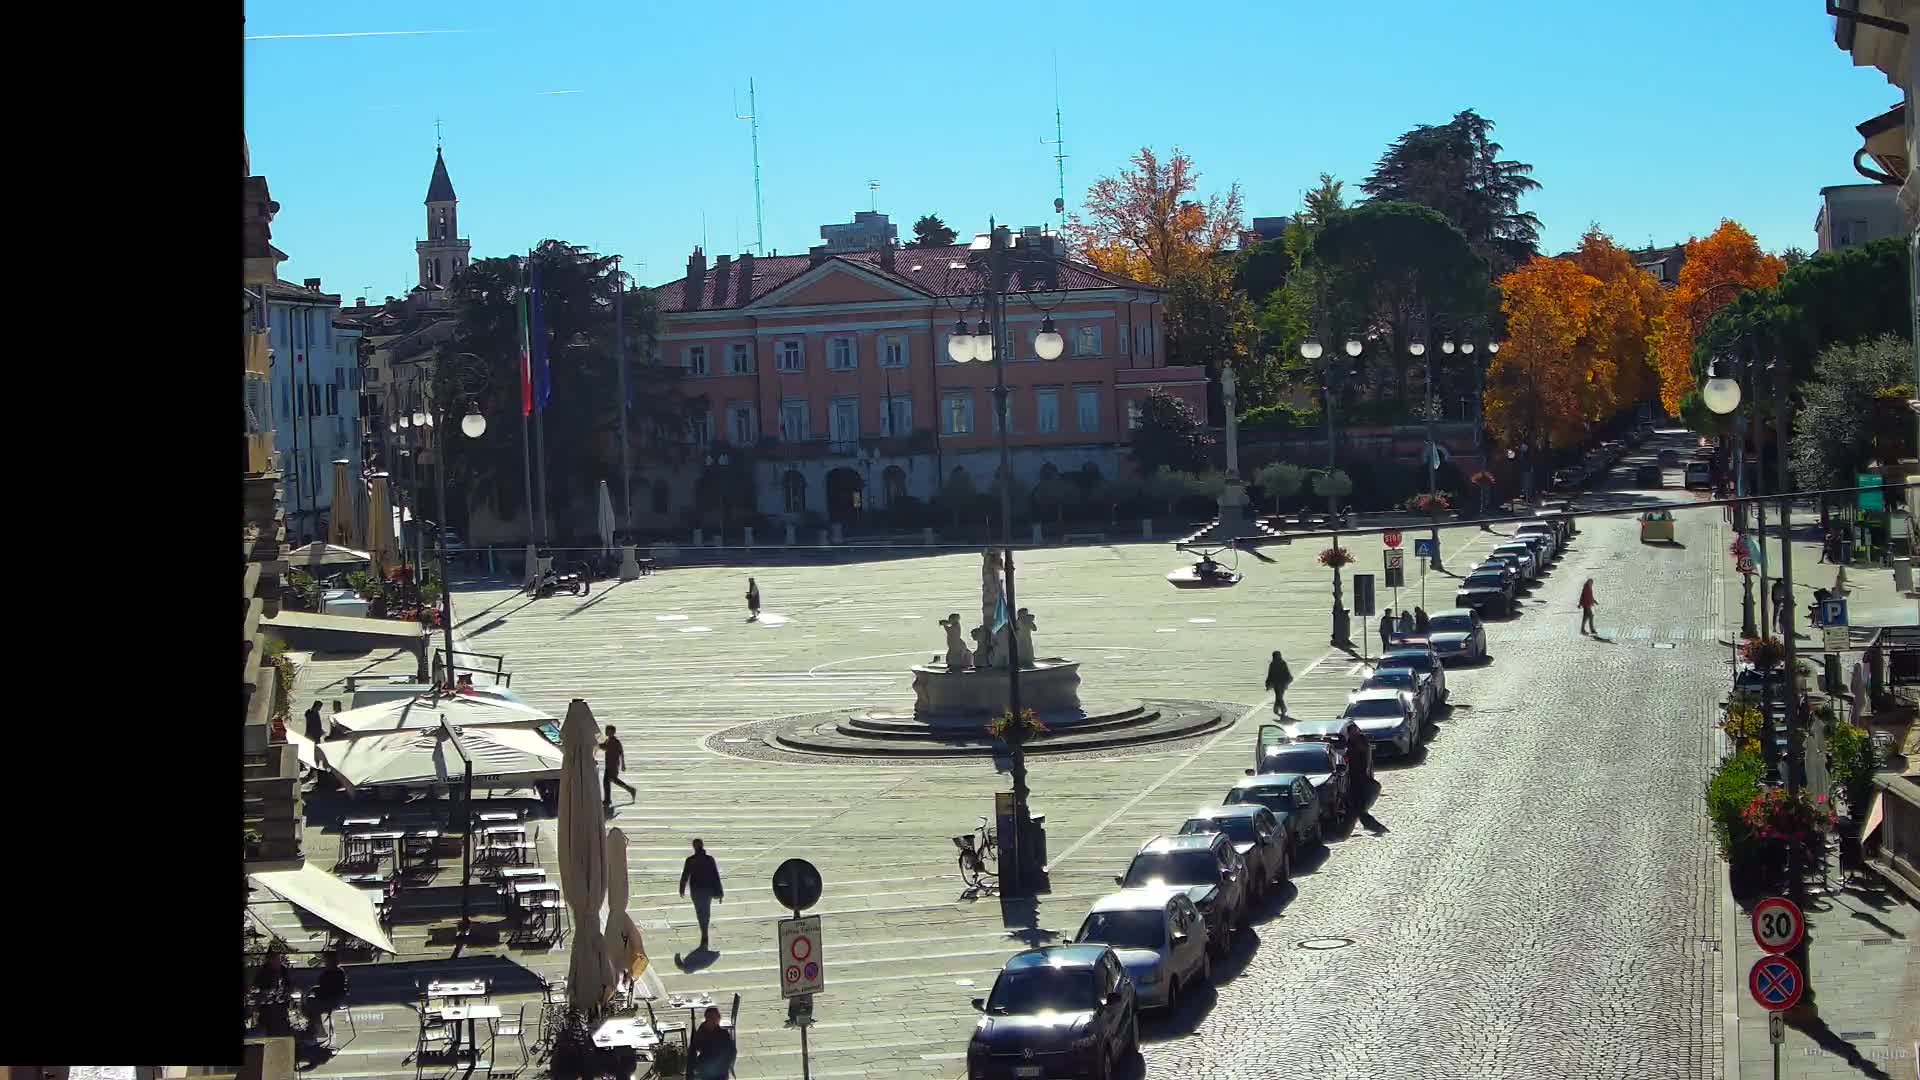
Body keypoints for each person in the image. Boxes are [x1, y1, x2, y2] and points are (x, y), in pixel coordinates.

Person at [678, 839, 724, 953]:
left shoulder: (690, 860)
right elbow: (715, 876)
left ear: (694, 847)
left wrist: (682, 888)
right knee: (706, 912)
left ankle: (704, 933)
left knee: (700, 912)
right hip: (707, 890)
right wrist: (719, 892)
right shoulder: (709, 859)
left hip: (696, 890)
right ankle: (704, 933)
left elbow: (685, 875)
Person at [300, 951, 350, 1036]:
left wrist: (312, 990)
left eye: (325, 960)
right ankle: (317, 1028)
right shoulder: (341, 972)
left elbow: (323, 990)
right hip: (337, 1001)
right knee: (311, 1003)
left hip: (328, 1001)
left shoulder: (327, 974)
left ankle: (316, 1029)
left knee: (309, 1003)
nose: (324, 962)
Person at [688, 1005, 736, 1080]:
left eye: (715, 1018)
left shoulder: (723, 1033)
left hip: (718, 1068)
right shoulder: (703, 1030)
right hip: (706, 1066)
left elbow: (732, 1051)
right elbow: (694, 1047)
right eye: (711, 1018)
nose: (713, 1021)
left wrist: (728, 1065)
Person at [600, 725, 636, 807]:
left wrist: (623, 764)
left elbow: (620, 752)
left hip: (612, 765)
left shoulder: (614, 742)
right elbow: (605, 746)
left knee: (607, 781)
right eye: (606, 730)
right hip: (609, 764)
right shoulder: (608, 740)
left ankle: (607, 800)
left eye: (608, 730)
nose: (606, 732)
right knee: (612, 780)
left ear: (613, 732)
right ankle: (630, 790)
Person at [1264, 650, 1292, 717]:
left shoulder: (1272, 664)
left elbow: (1270, 675)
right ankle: (1279, 710)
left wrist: (1268, 684)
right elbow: (1287, 673)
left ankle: (1280, 710)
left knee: (1279, 697)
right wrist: (1287, 681)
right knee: (1279, 697)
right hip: (1283, 683)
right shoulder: (1283, 663)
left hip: (1276, 684)